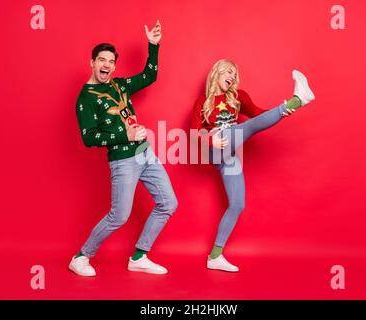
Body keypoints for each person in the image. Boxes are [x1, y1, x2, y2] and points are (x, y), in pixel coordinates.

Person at [69, 20, 178, 277]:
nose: (106, 65)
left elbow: (149, 75)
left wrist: (153, 46)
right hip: (123, 160)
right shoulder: (85, 99)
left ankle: (139, 256)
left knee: (168, 203)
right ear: (92, 62)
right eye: (101, 60)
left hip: (146, 153)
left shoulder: (119, 85)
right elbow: (89, 137)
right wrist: (123, 133)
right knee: (119, 216)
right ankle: (81, 256)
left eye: (111, 62)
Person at [191, 59, 315, 272]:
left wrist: (281, 113)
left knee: (238, 204)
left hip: (231, 154)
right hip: (213, 149)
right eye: (228, 71)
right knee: (246, 127)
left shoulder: (239, 97)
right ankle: (298, 100)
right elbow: (193, 133)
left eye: (234, 73)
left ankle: (215, 256)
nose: (231, 76)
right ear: (217, 72)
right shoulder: (203, 101)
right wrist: (211, 140)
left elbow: (258, 116)